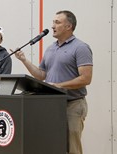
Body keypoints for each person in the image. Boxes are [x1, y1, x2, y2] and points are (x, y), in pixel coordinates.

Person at [13, 10, 93, 154]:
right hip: (52, 106)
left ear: (69, 26)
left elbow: (86, 78)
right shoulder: (51, 48)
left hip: (73, 104)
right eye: (53, 22)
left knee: (72, 148)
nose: (53, 26)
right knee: (52, 145)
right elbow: (41, 75)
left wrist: (59, 85)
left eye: (57, 22)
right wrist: (24, 60)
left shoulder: (81, 47)